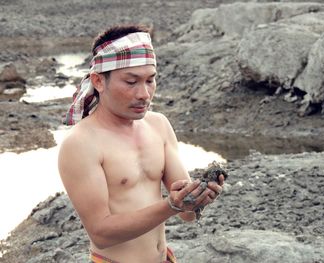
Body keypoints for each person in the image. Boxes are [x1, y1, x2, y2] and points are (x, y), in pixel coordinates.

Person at [58, 24, 224, 263]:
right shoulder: (81, 143)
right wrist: (171, 206)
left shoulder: (158, 125)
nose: (144, 94)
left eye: (150, 80)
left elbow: (186, 213)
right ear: (98, 81)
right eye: (131, 81)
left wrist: (199, 198)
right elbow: (101, 233)